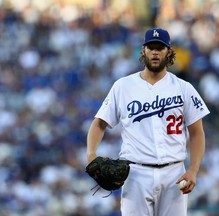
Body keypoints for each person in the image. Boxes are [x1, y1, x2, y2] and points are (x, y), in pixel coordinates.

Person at [86, 27, 210, 216]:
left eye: (159, 48)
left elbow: (197, 133)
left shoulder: (184, 88)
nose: (154, 52)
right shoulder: (123, 86)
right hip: (136, 174)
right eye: (150, 47)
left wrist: (193, 170)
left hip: (174, 173)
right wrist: (91, 154)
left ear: (168, 51)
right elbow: (99, 123)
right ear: (143, 50)